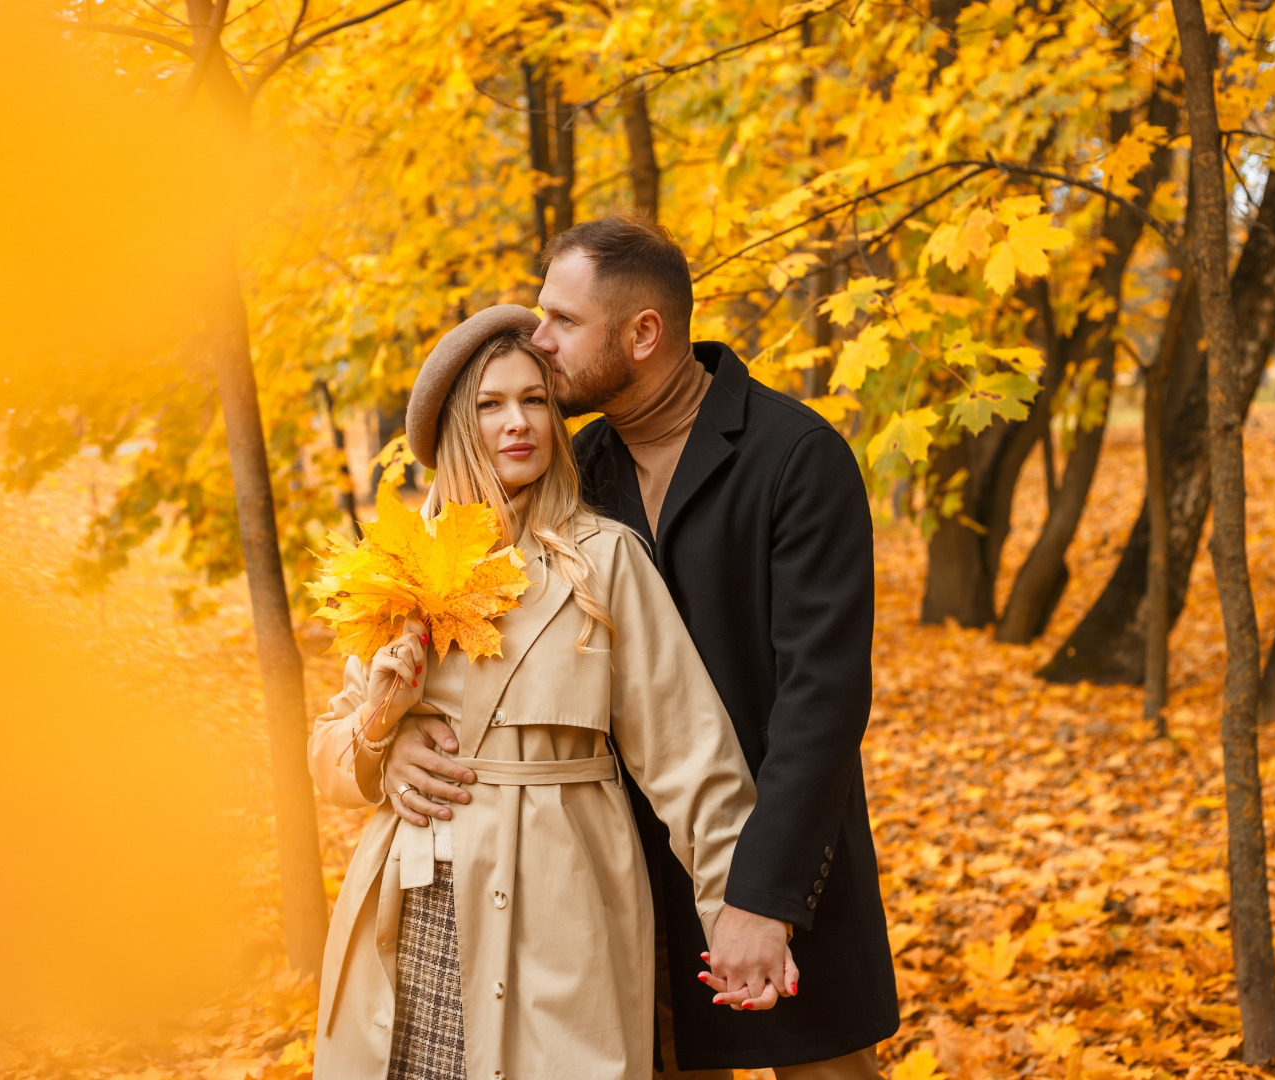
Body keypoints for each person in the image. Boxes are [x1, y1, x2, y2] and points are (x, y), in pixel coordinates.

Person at [384, 217, 899, 1078]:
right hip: (615, 882)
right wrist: (396, 732)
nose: (539, 343)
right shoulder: (574, 468)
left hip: (779, 857)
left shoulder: (795, 458)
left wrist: (761, 899)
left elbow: (824, 701)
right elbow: (485, 651)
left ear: (644, 335)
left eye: (562, 322)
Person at [307, 306, 777, 1080]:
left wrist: (736, 915)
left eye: (535, 401)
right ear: (460, 427)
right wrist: (379, 739)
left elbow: (692, 761)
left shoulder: (606, 562)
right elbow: (327, 751)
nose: (518, 423)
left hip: (561, 905)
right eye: (491, 405)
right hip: (415, 901)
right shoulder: (397, 569)